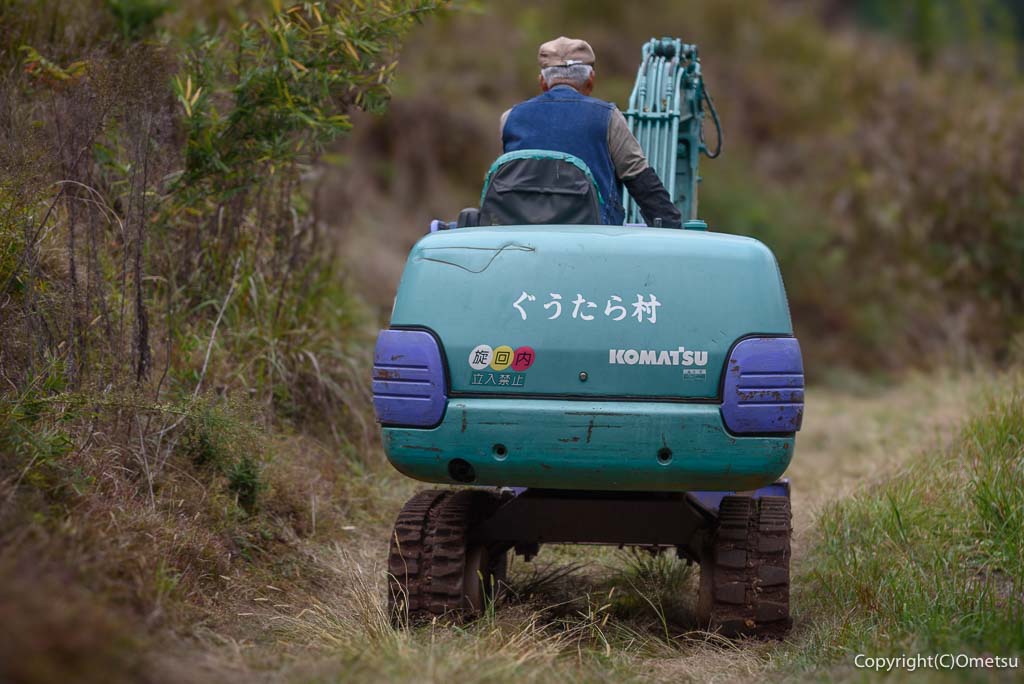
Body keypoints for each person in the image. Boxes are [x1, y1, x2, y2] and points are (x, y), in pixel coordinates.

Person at [500, 36, 682, 228]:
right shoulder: (608, 116)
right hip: (594, 235)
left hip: (524, 234)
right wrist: (674, 230)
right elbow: (641, 181)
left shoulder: (510, 118)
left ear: (542, 82)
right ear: (590, 80)